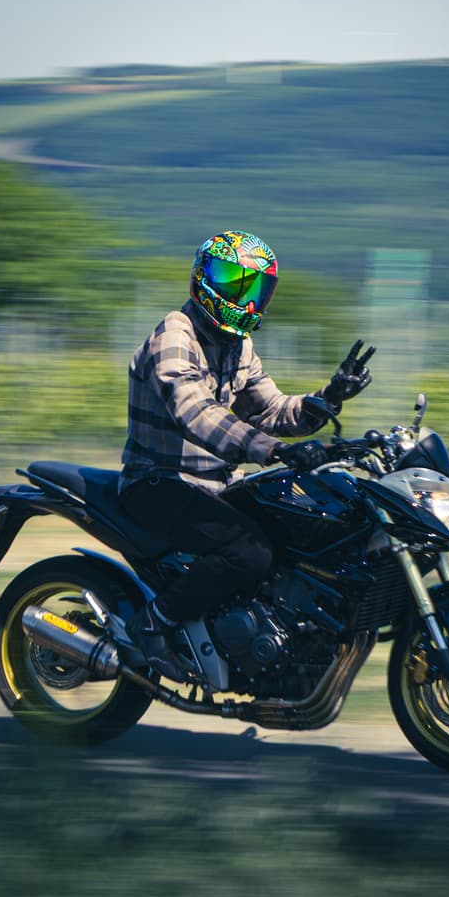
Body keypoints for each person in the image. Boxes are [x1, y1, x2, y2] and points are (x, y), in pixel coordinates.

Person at [118, 230, 374, 681]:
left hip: (216, 486)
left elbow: (273, 410)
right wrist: (272, 450)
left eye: (254, 288)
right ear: (204, 277)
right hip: (158, 483)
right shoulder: (174, 336)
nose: (245, 298)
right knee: (249, 552)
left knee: (301, 529)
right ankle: (153, 624)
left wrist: (330, 397)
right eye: (234, 283)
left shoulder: (238, 346)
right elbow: (194, 411)